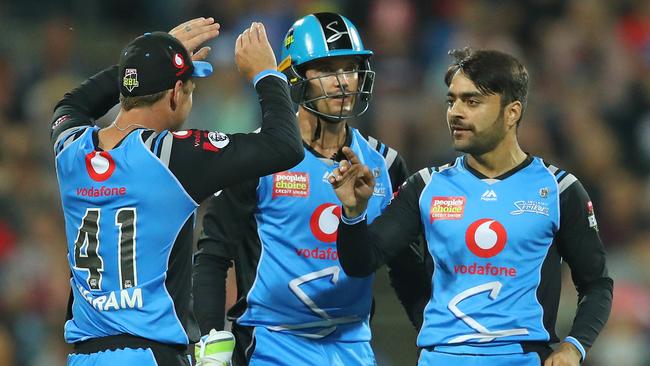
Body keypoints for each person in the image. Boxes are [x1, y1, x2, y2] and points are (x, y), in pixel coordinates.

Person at [329, 48, 613, 366]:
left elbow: (596, 284)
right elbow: (360, 262)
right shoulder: (425, 187)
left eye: (472, 101)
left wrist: (574, 346)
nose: (455, 112)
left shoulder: (560, 190)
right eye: (452, 100)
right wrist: (353, 213)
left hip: (522, 358)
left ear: (512, 112)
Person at [51, 18, 304, 366]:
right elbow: (285, 146)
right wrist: (266, 74)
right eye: (189, 88)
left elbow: (71, 105)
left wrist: (136, 66)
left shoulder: (70, 149)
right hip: (150, 355)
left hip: (83, 357)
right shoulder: (171, 157)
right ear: (175, 95)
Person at [192, 12, 428, 366]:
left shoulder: (387, 165)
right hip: (270, 344)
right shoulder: (255, 160)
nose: (343, 82)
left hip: (353, 346)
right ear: (295, 77)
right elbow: (213, 254)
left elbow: (406, 268)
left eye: (350, 68)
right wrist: (211, 336)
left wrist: (434, 337)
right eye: (326, 70)